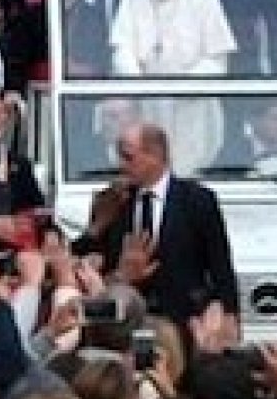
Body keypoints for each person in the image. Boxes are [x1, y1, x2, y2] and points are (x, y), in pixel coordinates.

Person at [73, 123, 239, 329]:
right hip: (126, 319)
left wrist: (230, 316)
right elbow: (84, 259)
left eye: (129, 157)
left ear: (155, 155)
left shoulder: (198, 201)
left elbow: (220, 265)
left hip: (184, 318)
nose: (122, 166)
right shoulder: (112, 201)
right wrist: (97, 226)